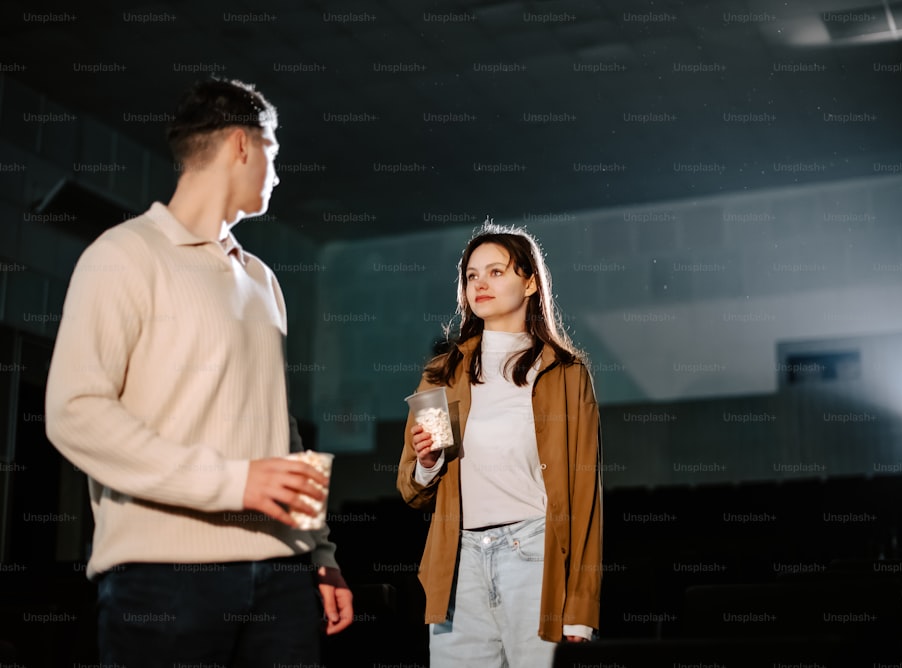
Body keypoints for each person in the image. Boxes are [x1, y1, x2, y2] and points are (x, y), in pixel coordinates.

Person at [44, 78, 352, 665]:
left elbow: (277, 433)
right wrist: (233, 483)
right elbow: (74, 412)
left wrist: (319, 553)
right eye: (274, 154)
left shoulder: (263, 280)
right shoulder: (123, 255)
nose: (278, 175)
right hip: (164, 578)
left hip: (281, 577)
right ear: (243, 144)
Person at [397, 221, 603, 667]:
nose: (480, 284)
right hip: (458, 562)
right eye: (471, 275)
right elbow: (411, 490)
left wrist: (581, 610)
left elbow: (585, 498)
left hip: (534, 556)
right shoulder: (442, 373)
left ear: (530, 282)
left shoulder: (566, 374)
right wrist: (428, 462)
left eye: (496, 272)